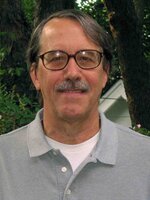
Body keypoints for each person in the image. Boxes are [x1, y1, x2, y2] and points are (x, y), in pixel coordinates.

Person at [0, 9, 150, 200]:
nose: (72, 73)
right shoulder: (2, 161)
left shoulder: (146, 161)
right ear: (35, 75)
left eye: (86, 58)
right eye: (56, 58)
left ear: (105, 73)